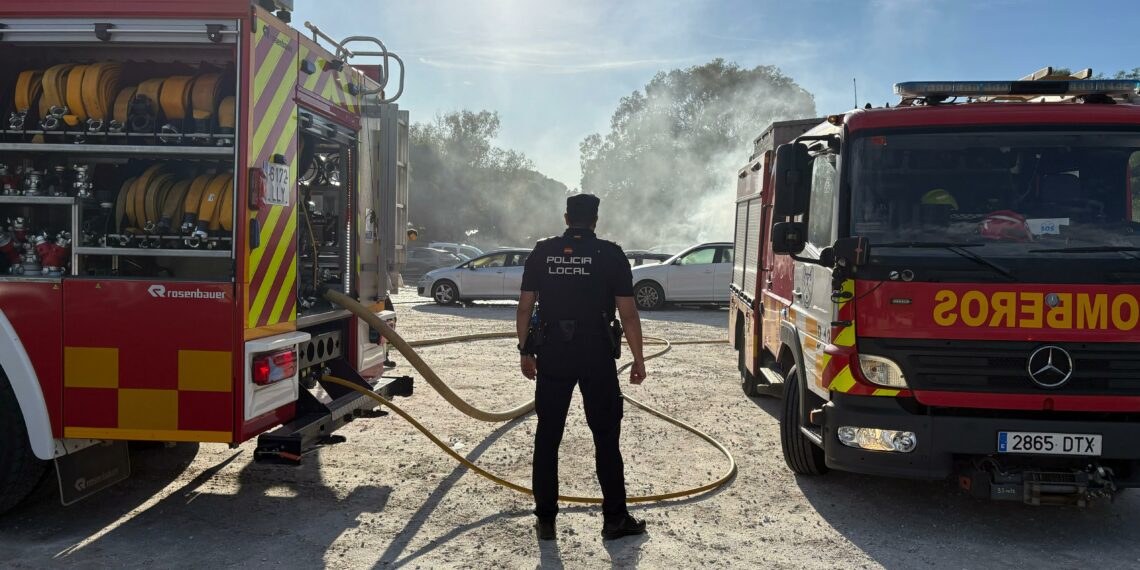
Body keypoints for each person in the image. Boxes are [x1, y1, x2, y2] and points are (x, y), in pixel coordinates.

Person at [516, 193, 648, 542]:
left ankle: (545, 520)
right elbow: (628, 313)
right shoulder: (610, 254)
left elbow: (524, 308)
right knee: (606, 437)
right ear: (595, 220)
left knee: (548, 437)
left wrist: (525, 352)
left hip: (554, 354)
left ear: (565, 217)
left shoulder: (542, 252)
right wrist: (638, 358)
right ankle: (615, 519)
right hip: (596, 355)